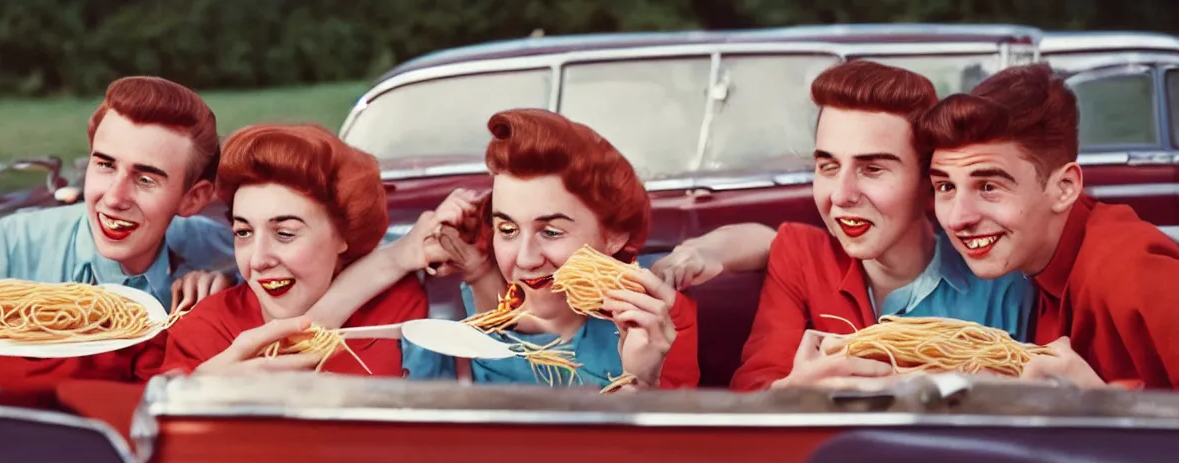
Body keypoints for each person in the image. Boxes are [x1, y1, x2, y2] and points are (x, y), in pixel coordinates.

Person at [653, 60, 1035, 391]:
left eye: (872, 169)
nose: (841, 195)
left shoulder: (1001, 277)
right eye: (828, 166)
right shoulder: (803, 259)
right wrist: (792, 394)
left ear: (928, 182)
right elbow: (755, 392)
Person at [0, 76, 238, 405]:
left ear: (193, 199)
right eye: (105, 165)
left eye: (146, 178)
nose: (114, 197)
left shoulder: (223, 254)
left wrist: (231, 297)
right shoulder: (12, 245)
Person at [916, 63, 1179, 389]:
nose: (957, 219)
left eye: (988, 187)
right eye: (946, 187)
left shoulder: (1128, 272)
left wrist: (1104, 408)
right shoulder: (1032, 265)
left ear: (1064, 187)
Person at [403, 108, 700, 390]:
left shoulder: (656, 318)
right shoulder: (443, 330)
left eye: (551, 232)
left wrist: (640, 382)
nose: (525, 259)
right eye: (507, 230)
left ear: (614, 236)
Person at [152, 123, 429, 376]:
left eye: (284, 234)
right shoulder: (203, 328)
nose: (258, 260)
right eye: (243, 233)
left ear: (343, 235)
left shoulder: (397, 306)